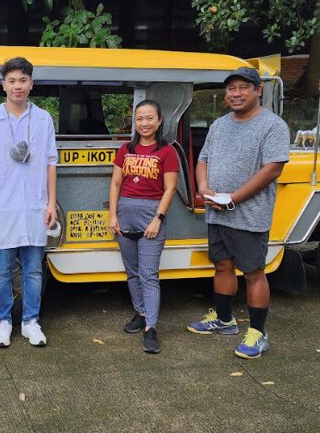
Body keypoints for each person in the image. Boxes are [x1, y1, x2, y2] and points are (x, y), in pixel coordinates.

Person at [187, 67, 290, 359]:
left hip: (249, 214)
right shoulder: (219, 125)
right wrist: (204, 187)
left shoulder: (272, 125)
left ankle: (258, 333)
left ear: (258, 90)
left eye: (243, 87)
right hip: (217, 212)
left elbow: (272, 169)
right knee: (221, 266)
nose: (236, 93)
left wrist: (233, 199)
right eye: (231, 88)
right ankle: (224, 320)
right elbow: (203, 159)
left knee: (254, 273)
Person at [0, 57, 58, 348]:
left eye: (23, 80)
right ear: (3, 85)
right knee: (2, 268)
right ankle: (4, 322)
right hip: (3, 207)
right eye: (12, 81)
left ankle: (31, 322)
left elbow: (50, 163)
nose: (17, 86)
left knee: (34, 268)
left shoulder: (43, 119)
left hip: (34, 205)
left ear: (31, 83)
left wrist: (50, 203)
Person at [108, 100, 178, 354]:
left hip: (151, 214)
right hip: (125, 213)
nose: (144, 123)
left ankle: (151, 327)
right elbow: (116, 184)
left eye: (150, 118)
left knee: (148, 274)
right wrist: (112, 215)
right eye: (139, 118)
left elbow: (170, 188)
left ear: (159, 121)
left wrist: (157, 218)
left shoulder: (167, 152)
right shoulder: (125, 149)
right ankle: (139, 312)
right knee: (132, 271)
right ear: (134, 122)